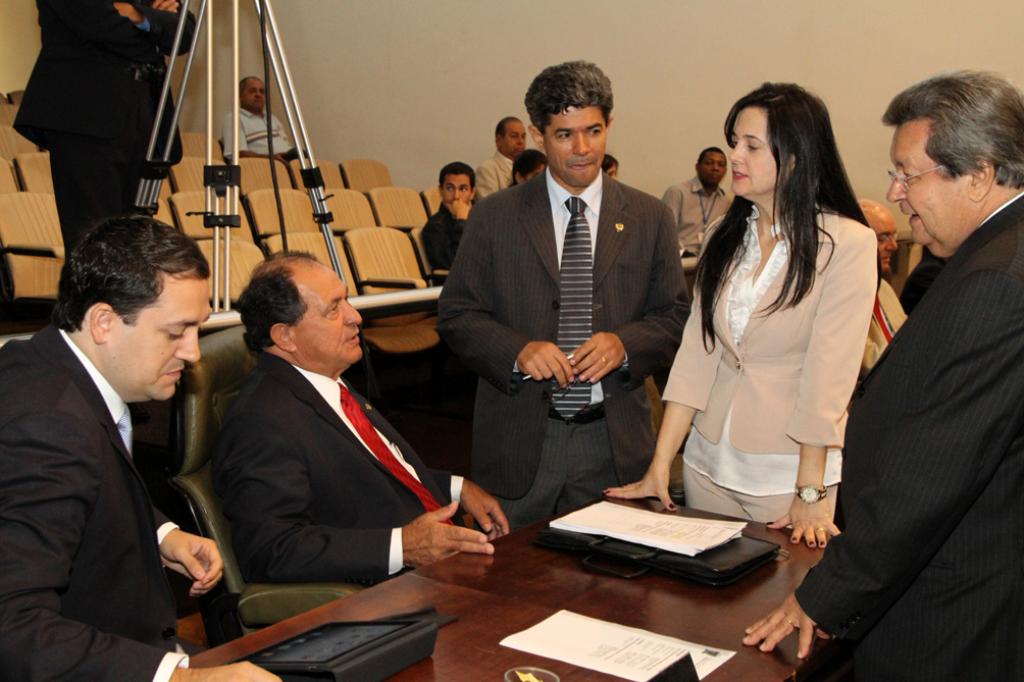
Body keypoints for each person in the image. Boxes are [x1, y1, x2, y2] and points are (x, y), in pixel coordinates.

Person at [743, 71, 1024, 681]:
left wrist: (824, 595)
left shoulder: (1000, 279)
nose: (895, 192)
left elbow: (933, 474)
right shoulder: (994, 253)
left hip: (952, 606)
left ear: (978, 173)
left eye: (908, 173)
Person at [0, 216, 275, 681]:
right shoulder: (48, 428)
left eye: (198, 330)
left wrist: (162, 533)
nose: (192, 352)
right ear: (104, 321)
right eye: (175, 332)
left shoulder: (41, 364)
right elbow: (12, 626)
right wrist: (181, 678)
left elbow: (87, 481)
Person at [608, 83, 876, 549]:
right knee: (697, 612)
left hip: (787, 472)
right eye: (734, 142)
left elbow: (829, 376)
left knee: (777, 612)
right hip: (706, 462)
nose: (735, 156)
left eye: (751, 146)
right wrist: (659, 465)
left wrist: (809, 490)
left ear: (794, 156)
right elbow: (697, 353)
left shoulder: (847, 244)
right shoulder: (724, 238)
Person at [438, 61, 688, 529]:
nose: (582, 149)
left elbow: (673, 315)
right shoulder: (494, 217)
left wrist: (625, 344)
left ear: (609, 125)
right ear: (537, 134)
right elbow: (457, 314)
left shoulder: (649, 216)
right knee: (507, 593)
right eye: (564, 135)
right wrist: (517, 351)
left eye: (593, 131)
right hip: (520, 441)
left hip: (613, 443)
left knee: (618, 592)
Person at [213, 254, 508, 585]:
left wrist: (456, 487)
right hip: (392, 596)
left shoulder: (324, 380)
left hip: (442, 570)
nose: (355, 317)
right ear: (286, 337)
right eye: (334, 309)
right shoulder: (261, 422)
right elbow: (270, 550)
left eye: (347, 300)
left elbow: (371, 475)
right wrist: (404, 547)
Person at [14, 0, 195, 252]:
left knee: (136, 236)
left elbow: (186, 33)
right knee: (94, 237)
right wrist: (155, 26)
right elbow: (100, 27)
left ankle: (126, 292)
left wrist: (136, 13)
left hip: (146, 111)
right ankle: (95, 293)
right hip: (86, 114)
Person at [858, 198, 906, 373]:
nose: (893, 246)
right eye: (882, 238)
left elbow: (905, 335)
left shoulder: (884, 287)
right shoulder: (840, 291)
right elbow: (862, 359)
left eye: (894, 236)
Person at [662, 147, 733, 254]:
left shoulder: (725, 201)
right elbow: (665, 232)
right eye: (709, 163)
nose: (715, 168)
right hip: (679, 259)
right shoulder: (677, 192)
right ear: (697, 167)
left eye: (721, 164)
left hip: (708, 260)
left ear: (725, 171)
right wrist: (682, 253)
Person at [221, 76, 297, 162]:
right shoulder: (234, 118)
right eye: (252, 91)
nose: (258, 95)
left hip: (289, 163)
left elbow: (286, 145)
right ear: (240, 96)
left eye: (262, 91)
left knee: (304, 156)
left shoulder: (272, 118)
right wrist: (271, 158)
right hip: (265, 168)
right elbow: (237, 154)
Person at [422, 161, 475, 270]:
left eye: (463, 189)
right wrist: (461, 221)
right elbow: (456, 264)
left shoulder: (482, 219)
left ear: (472, 193)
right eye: (450, 188)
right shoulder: (435, 226)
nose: (456, 196)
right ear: (440, 191)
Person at [475, 116, 526, 198]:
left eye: (523, 136)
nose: (521, 141)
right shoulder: (487, 169)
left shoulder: (529, 167)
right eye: (514, 136)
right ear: (499, 140)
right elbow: (488, 207)